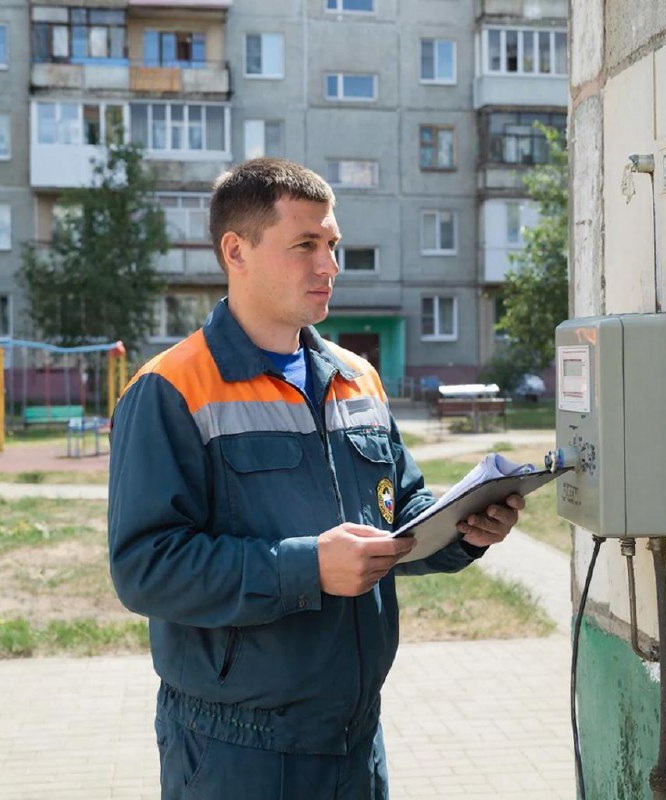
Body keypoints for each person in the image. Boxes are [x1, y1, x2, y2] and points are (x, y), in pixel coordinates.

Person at [107, 157, 524, 800]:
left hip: (356, 740)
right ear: (236, 251)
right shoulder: (170, 389)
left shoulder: (357, 377)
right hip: (236, 751)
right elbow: (145, 567)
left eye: (333, 244)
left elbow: (398, 511)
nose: (329, 265)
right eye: (305, 244)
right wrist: (307, 569)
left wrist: (465, 529)